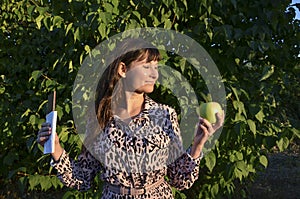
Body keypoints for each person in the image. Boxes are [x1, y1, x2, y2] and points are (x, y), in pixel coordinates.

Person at [37, 38, 224, 199]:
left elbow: (180, 180)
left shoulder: (165, 115)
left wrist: (197, 146)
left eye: (156, 67)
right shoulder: (100, 117)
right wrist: (56, 148)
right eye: (146, 66)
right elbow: (82, 179)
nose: (154, 74)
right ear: (123, 69)